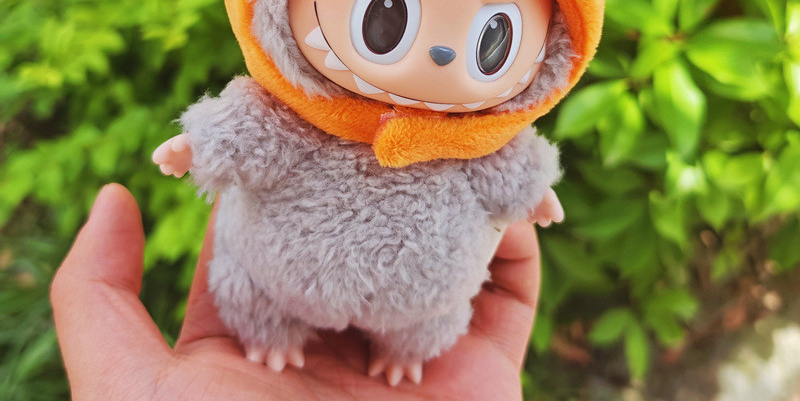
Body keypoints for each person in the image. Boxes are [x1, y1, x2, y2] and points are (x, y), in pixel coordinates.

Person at [51, 183, 544, 400]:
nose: (440, 54)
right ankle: (271, 337)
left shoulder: (475, 134)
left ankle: (405, 350)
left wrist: (532, 189)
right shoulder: (291, 109)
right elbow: (249, 127)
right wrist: (201, 145)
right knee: (248, 291)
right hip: (276, 285)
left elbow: (510, 163)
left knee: (427, 328)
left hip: (418, 308)